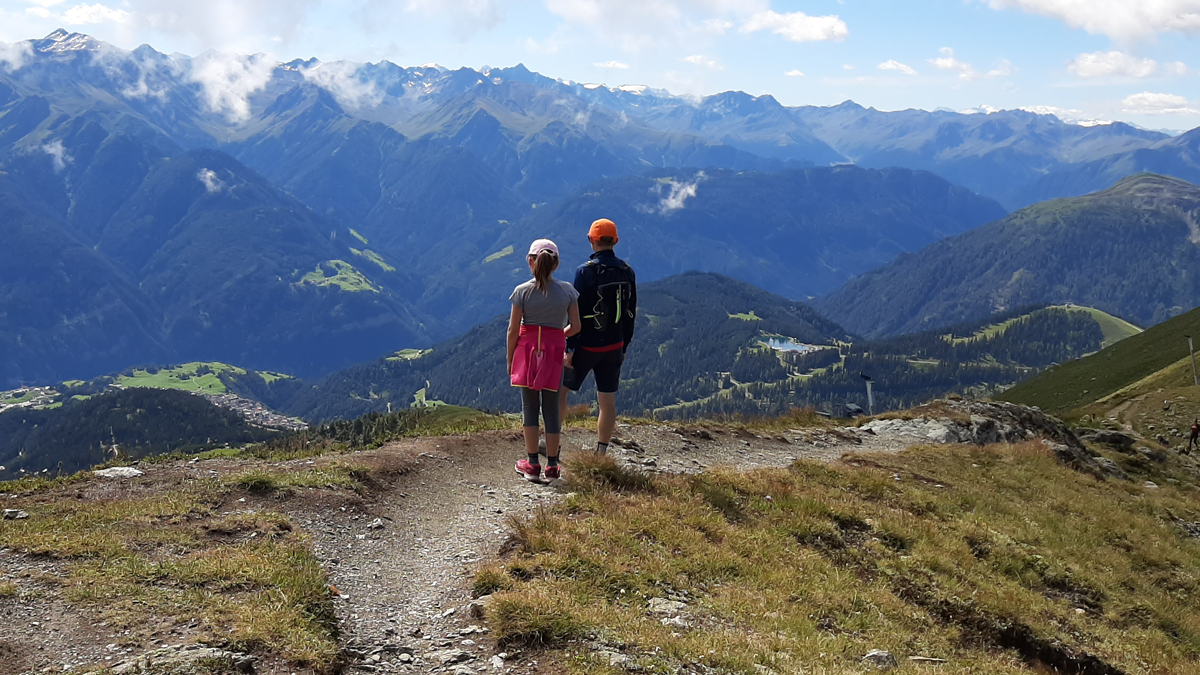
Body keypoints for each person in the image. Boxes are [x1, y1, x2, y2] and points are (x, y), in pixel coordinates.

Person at [559, 218, 637, 455]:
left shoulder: (585, 272)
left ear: (591, 240)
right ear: (616, 240)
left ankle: (550, 441)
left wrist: (569, 348)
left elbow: (576, 312)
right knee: (607, 401)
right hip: (614, 345)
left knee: (560, 391)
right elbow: (630, 313)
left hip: (587, 345)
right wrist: (624, 347)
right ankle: (601, 451)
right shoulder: (627, 271)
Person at [508, 239, 580, 482]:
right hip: (553, 353)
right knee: (551, 408)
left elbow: (513, 330)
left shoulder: (522, 291)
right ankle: (552, 466)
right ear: (556, 265)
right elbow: (576, 326)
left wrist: (510, 358)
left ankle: (532, 464)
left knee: (530, 407)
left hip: (527, 351)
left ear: (530, 261)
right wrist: (557, 336)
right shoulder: (568, 291)